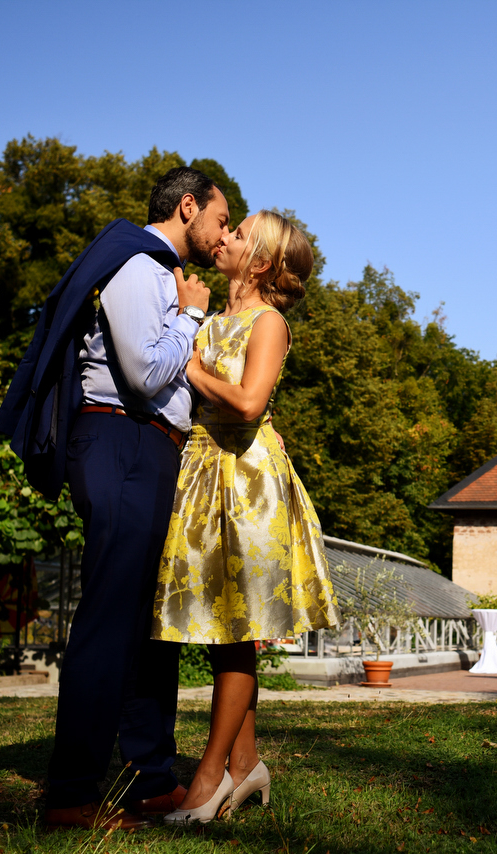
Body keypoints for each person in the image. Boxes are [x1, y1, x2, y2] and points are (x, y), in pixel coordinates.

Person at [0, 166, 229, 830]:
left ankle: (151, 778)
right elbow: (145, 370)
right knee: (109, 617)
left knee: (147, 623)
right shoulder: (138, 267)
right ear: (188, 207)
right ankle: (72, 794)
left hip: (150, 449)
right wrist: (189, 314)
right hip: (120, 440)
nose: (221, 232)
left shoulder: (159, 272)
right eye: (219, 217)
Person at [151, 210, 340, 823]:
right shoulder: (213, 319)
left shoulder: (269, 323)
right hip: (204, 474)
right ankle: (246, 765)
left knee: (236, 634)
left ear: (258, 262)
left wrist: (191, 366)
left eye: (238, 233)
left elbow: (251, 402)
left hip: (249, 482)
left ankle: (208, 779)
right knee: (222, 632)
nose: (223, 236)